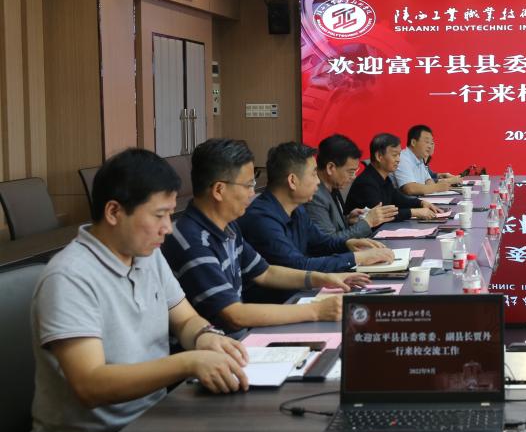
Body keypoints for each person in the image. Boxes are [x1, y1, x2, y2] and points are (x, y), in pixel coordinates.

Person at [26, 149, 248, 432]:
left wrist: (206, 337)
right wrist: (188, 362)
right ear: (114, 211)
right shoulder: (69, 278)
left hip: (152, 422)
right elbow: (90, 384)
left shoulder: (147, 254)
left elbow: (186, 319)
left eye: (170, 214)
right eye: (159, 215)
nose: (168, 228)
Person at [162, 139, 371, 331]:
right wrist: (316, 311)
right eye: (248, 185)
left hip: (237, 338)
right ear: (219, 190)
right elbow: (234, 315)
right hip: (225, 343)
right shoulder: (192, 239)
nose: (252, 193)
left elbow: (265, 272)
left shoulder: (229, 226)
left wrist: (324, 279)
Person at [238, 142, 394, 274]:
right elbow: (298, 266)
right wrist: (356, 258)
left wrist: (348, 244)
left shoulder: (297, 209)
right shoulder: (262, 219)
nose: (318, 181)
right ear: (292, 181)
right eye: (313, 174)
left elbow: (322, 243)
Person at [307, 134, 398, 239]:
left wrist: (347, 220)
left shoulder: (333, 187)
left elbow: (332, 226)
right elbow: (328, 242)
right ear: (330, 168)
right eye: (350, 171)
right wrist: (368, 222)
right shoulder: (315, 196)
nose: (354, 177)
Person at [345, 133, 442, 221]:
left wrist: (421, 203)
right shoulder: (366, 183)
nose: (398, 160)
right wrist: (414, 212)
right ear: (379, 156)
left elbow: (397, 199)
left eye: (399, 155)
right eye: (394, 155)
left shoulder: (384, 177)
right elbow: (382, 215)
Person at [394, 124, 462, 196]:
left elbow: (429, 181)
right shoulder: (402, 158)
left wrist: (436, 186)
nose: (430, 146)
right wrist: (437, 187)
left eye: (431, 143)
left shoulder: (419, 158)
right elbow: (410, 189)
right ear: (413, 142)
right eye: (426, 142)